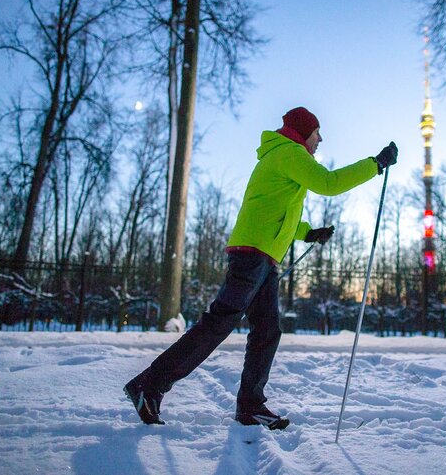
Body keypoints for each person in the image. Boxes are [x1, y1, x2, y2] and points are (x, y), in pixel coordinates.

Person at [124, 107, 398, 430]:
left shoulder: (281, 156)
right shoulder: (291, 153)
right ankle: (150, 384)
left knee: (267, 331)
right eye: (316, 133)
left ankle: (250, 406)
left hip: (262, 258)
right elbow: (329, 183)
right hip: (253, 256)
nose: (320, 139)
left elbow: (273, 210)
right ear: (302, 133)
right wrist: (375, 164)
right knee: (219, 323)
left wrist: (307, 232)